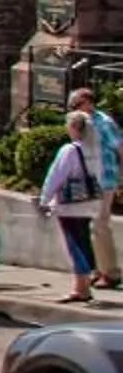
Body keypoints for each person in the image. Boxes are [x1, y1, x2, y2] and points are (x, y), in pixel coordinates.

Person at [39, 107, 105, 305]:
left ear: (75, 127)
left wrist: (45, 198)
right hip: (88, 203)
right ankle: (83, 286)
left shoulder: (70, 150)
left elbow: (56, 176)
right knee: (83, 241)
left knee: (74, 244)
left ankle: (80, 287)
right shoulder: (94, 150)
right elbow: (99, 176)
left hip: (69, 204)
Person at [81, 88, 123, 288]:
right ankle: (99, 270)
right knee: (93, 227)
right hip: (91, 180)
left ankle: (111, 273)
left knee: (100, 224)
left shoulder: (103, 123)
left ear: (89, 103)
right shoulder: (84, 124)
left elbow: (120, 147)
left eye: (78, 104)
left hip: (106, 179)